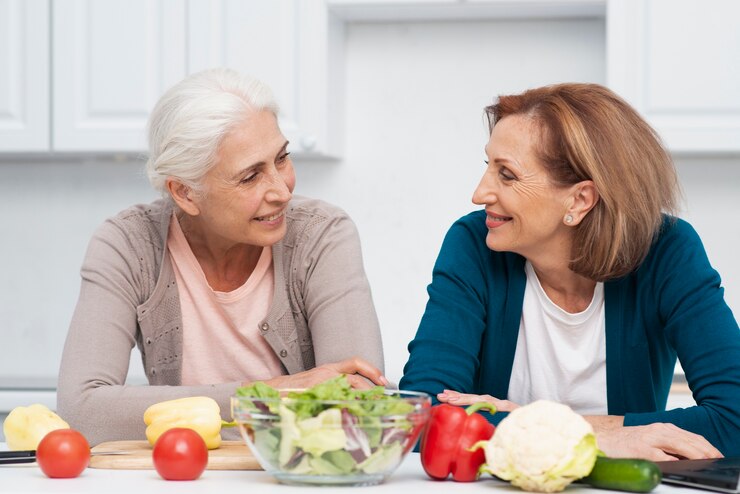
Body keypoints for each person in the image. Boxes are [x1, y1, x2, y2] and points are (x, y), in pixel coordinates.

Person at [399, 83, 740, 461]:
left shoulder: (667, 252)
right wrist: (596, 437)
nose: (479, 194)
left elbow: (735, 420)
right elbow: (423, 417)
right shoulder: (474, 244)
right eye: (488, 167)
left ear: (579, 199)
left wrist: (552, 426)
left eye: (507, 175)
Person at [57, 68, 386, 446]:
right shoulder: (129, 244)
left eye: (281, 158)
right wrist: (270, 395)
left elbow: (360, 404)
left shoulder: (321, 235)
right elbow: (82, 411)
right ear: (185, 193)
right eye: (250, 177)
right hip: (183, 475)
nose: (281, 191)